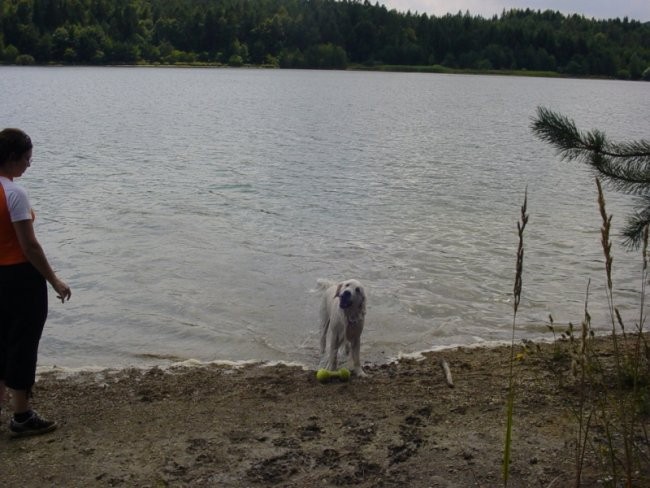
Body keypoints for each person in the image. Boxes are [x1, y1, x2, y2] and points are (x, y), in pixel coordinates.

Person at [0, 128, 71, 438]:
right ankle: (21, 415)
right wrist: (54, 280)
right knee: (23, 343)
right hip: (19, 277)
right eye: (27, 159)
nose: (29, 165)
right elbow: (29, 246)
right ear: (12, 158)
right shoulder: (14, 194)